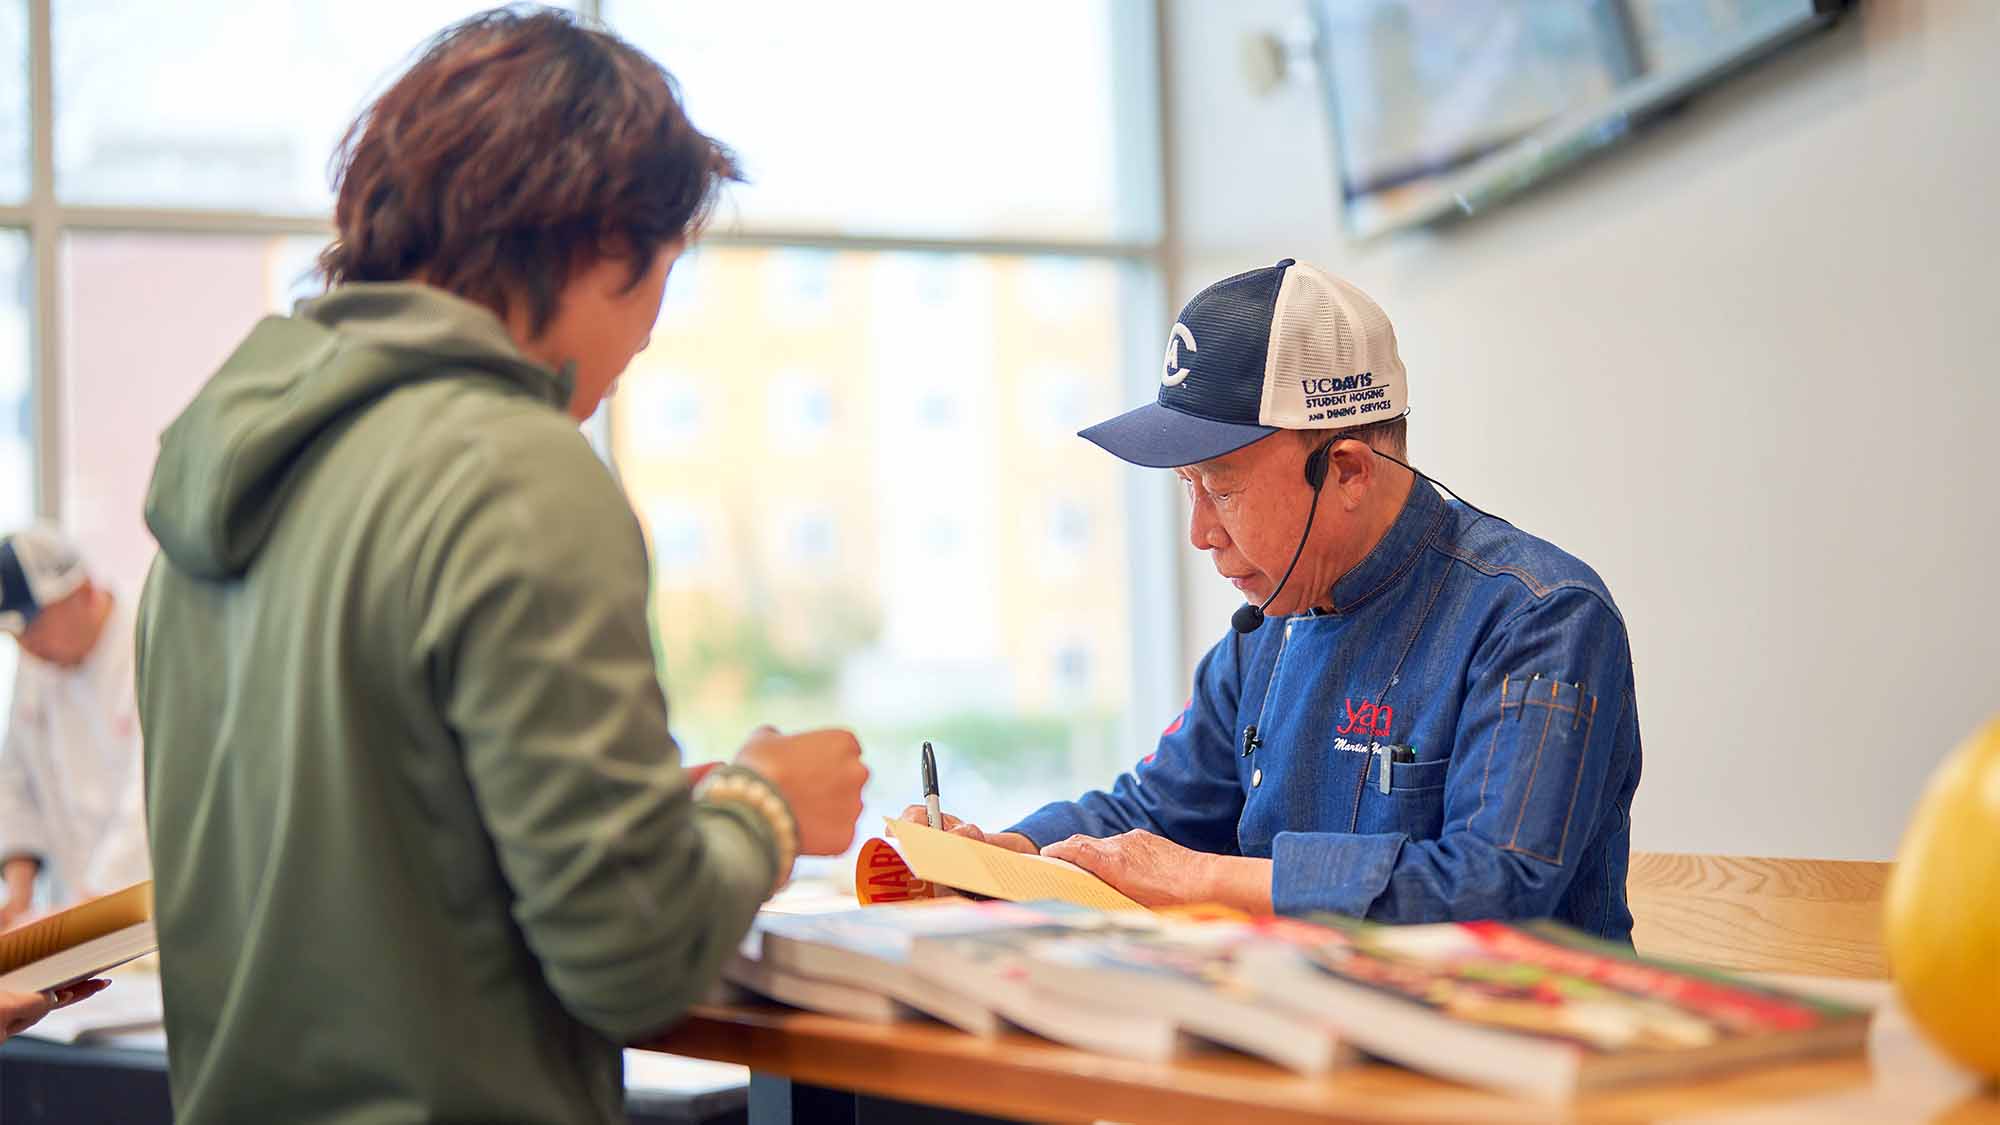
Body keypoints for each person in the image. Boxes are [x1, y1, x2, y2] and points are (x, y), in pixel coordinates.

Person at [135, 11, 866, 1123]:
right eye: (660, 275)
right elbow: (634, 958)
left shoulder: (228, 463)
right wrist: (767, 807)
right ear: (598, 242)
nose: (649, 339)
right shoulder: (512, 470)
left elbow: (357, 851)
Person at [906, 259, 1642, 940]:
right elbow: (1152, 810)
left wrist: (1197, 876)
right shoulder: (1264, 634)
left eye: (1222, 488)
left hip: (1522, 1062)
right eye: (1187, 487)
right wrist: (1010, 852)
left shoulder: (1540, 618)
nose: (1199, 532)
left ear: (1348, 470)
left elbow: (1492, 887)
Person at [0, 526, 151, 926]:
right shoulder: (37, 665)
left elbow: (152, 794)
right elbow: (14, 782)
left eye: (34, 625)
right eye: (13, 633)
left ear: (83, 591)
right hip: (82, 914)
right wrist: (18, 897)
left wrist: (95, 901)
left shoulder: (148, 642)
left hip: (149, 909)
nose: (25, 644)